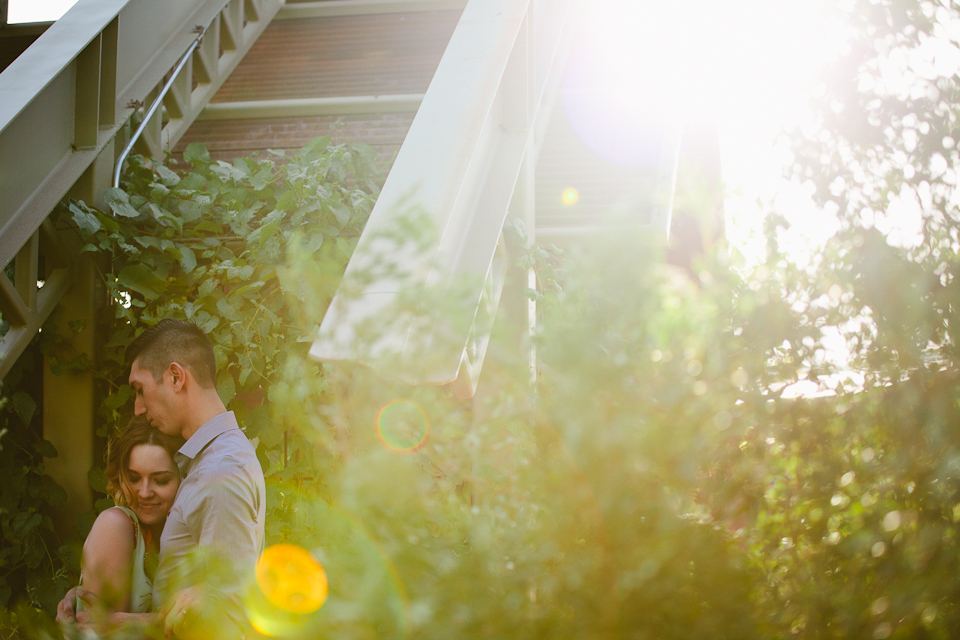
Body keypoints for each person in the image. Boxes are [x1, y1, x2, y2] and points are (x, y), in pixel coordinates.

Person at [59, 319, 266, 640]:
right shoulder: (209, 463)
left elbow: (229, 619)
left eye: (140, 390)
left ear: (175, 377)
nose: (138, 408)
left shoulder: (221, 471)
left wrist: (119, 623)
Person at [73, 417, 181, 621]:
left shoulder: (184, 532)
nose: (145, 492)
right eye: (134, 478)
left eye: (161, 480)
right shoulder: (115, 526)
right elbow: (97, 632)